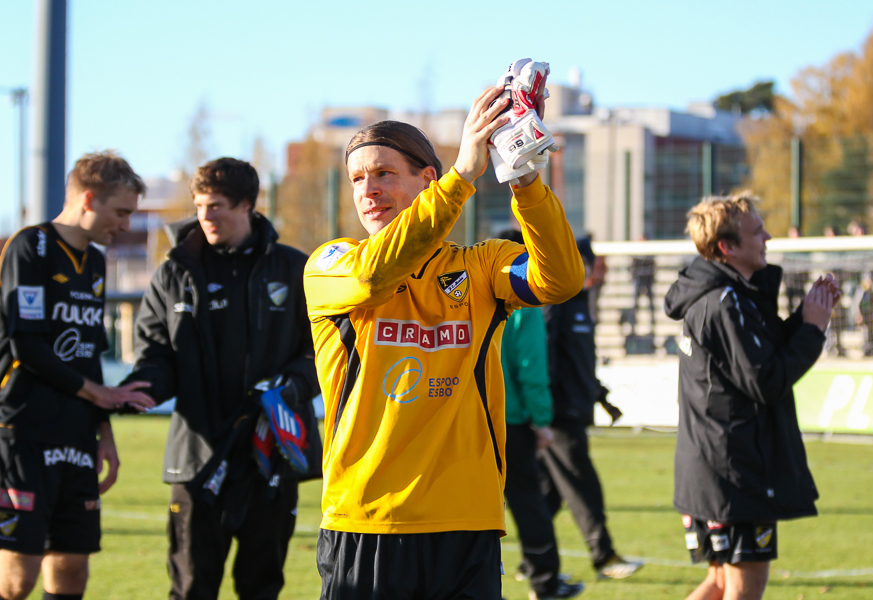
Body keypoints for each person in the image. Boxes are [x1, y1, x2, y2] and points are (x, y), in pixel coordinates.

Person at [304, 82, 583, 599]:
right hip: (366, 522)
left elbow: (560, 280)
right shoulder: (331, 265)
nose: (369, 190)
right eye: (358, 179)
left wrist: (525, 183)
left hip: (466, 522)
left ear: (425, 178)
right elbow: (373, 276)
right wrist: (461, 179)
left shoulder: (480, 267)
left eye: (385, 174)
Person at [123, 157, 319, 599]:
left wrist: (290, 388)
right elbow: (155, 351)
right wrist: (145, 389)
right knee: (191, 587)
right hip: (197, 458)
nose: (205, 217)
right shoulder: (175, 271)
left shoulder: (294, 269)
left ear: (248, 204)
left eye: (216, 206)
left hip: (270, 456)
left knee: (261, 587)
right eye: (199, 206)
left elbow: (323, 352)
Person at [664, 192, 838, 600]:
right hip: (733, 472)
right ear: (728, 247)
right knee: (743, 591)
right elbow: (766, 380)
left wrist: (806, 318)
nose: (768, 238)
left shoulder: (724, 296)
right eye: (757, 232)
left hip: (711, 469)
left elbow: (759, 355)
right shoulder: (725, 303)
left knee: (719, 583)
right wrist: (812, 331)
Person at [0, 151, 155, 600]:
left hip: (76, 434)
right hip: (23, 431)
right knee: (17, 578)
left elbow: (88, 352)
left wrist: (102, 431)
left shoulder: (96, 263)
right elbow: (25, 343)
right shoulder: (32, 247)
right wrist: (98, 393)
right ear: (89, 198)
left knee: (72, 569)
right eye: (121, 212)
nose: (125, 225)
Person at [540, 240, 639, 581]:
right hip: (559, 414)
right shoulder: (557, 303)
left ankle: (531, 561)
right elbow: (545, 356)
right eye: (585, 262)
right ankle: (605, 557)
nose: (591, 270)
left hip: (575, 409)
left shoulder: (581, 303)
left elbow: (578, 362)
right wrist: (546, 408)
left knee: (549, 495)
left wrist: (600, 396)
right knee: (583, 485)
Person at [497, 229, 583, 600]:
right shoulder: (523, 300)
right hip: (512, 422)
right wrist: (542, 420)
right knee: (529, 503)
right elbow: (531, 366)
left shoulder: (467, 291)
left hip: (468, 419)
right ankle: (545, 583)